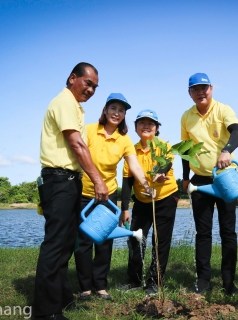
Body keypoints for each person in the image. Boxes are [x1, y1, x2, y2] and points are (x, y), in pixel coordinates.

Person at [34, 62, 109, 320]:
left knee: (67, 244)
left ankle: (62, 299)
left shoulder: (76, 106)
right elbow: (77, 144)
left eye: (95, 87)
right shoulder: (64, 101)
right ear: (72, 78)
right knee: (55, 245)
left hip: (69, 181)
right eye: (87, 83)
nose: (91, 90)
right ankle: (45, 312)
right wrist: (97, 180)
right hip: (58, 180)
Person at [74, 93, 155, 301]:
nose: (116, 113)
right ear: (105, 110)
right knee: (83, 241)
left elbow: (134, 165)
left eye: (121, 110)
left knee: (104, 241)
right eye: (113, 108)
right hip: (84, 192)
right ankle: (84, 288)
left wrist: (145, 184)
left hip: (108, 195)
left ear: (124, 115)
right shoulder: (90, 130)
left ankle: (100, 285)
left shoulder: (124, 139)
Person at [181, 73, 238, 295]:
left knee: (228, 232)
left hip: (225, 178)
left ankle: (229, 281)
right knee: (203, 233)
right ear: (190, 93)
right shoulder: (186, 117)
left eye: (204, 88)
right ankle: (203, 280)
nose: (200, 92)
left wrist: (226, 150)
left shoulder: (223, 109)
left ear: (211, 88)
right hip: (199, 180)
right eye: (195, 89)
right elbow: (186, 149)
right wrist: (185, 177)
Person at [118, 109, 179, 296]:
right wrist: (125, 208)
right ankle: (134, 280)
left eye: (150, 123)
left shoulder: (164, 146)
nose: (146, 126)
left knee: (159, 241)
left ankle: (154, 282)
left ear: (157, 128)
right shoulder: (131, 150)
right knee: (136, 239)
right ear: (135, 128)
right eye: (142, 123)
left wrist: (160, 173)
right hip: (142, 201)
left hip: (165, 199)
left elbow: (166, 163)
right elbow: (127, 181)